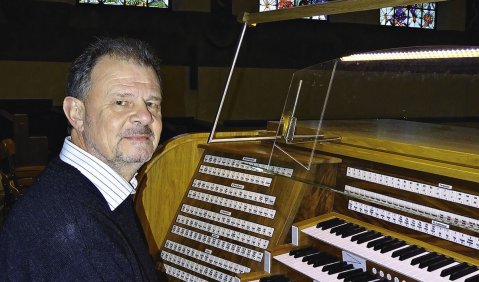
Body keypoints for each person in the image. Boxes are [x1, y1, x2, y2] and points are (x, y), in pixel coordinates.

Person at [0, 37, 163, 281]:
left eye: (152, 103)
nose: (145, 116)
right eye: (121, 102)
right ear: (76, 114)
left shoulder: (90, 191)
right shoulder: (74, 233)